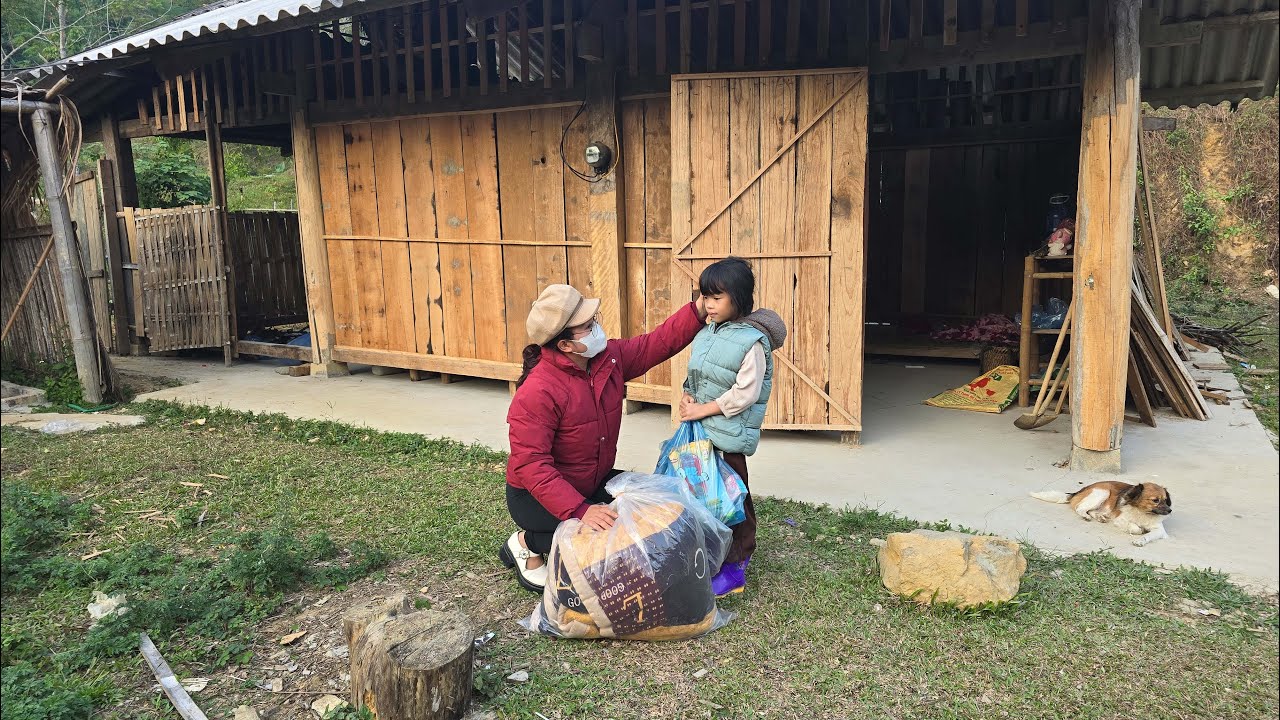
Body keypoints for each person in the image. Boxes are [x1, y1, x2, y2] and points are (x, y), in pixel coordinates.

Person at [501, 284, 708, 591]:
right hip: (534, 498)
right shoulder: (538, 391)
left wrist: (698, 310)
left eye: (592, 319)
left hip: (590, 480)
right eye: (586, 326)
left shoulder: (608, 359)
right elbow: (532, 467)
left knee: (650, 510)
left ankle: (575, 523)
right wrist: (581, 510)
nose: (595, 327)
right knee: (610, 533)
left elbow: (657, 343)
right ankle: (526, 543)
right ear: (565, 345)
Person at [677, 257, 786, 597]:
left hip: (729, 437)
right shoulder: (709, 331)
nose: (708, 304)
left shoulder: (752, 342)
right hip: (703, 433)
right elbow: (698, 372)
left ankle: (737, 564)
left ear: (737, 297)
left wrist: (702, 410)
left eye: (716, 297)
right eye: (705, 295)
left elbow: (746, 394)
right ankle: (710, 552)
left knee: (735, 500)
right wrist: (686, 395)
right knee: (704, 496)